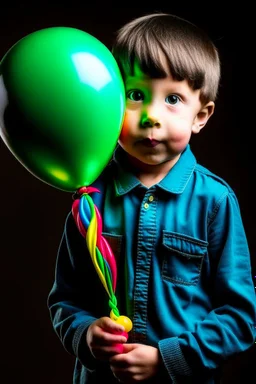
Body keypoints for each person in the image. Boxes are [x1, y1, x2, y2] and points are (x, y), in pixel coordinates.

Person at [47, 12, 255, 384]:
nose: (150, 116)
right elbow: (65, 299)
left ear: (201, 116)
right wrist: (85, 334)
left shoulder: (215, 201)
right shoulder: (90, 199)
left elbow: (239, 317)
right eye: (135, 95)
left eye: (172, 98)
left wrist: (168, 358)